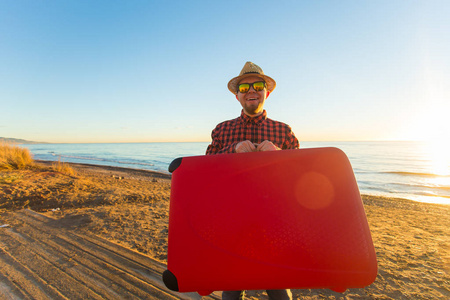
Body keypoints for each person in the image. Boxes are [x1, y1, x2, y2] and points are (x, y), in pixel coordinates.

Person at [206, 61, 299, 300]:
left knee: (279, 291)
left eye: (257, 85)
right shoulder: (221, 130)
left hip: (274, 222)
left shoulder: (284, 131)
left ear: (266, 92)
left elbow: (301, 175)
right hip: (233, 221)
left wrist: (280, 154)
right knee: (232, 290)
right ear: (237, 96)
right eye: (244, 88)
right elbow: (205, 171)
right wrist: (232, 150)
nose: (251, 91)